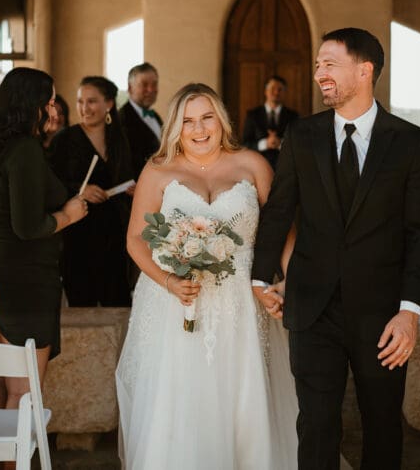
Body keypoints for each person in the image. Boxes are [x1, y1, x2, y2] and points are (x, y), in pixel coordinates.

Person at [251, 28, 420, 470]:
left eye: (328, 63)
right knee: (315, 425)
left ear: (364, 69)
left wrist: (409, 311)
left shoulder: (410, 141)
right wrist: (261, 278)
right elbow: (279, 211)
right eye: (317, 65)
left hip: (384, 312)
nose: (319, 73)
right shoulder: (303, 134)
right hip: (312, 307)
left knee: (382, 424)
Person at [116, 82, 298, 470]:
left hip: (242, 303)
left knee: (241, 393)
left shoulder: (253, 165)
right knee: (182, 396)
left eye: (207, 118)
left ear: (222, 120)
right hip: (178, 301)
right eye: (188, 121)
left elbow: (283, 230)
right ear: (175, 128)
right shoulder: (159, 169)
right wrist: (168, 281)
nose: (199, 130)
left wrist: (288, 280)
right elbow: (135, 239)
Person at [0, 67, 88, 418]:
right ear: (32, 105)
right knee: (23, 389)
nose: (52, 110)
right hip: (23, 276)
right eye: (48, 102)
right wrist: (70, 215)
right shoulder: (25, 150)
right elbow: (29, 226)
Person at [49, 76, 135, 306]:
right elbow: (49, 184)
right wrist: (79, 190)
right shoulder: (64, 140)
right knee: (81, 302)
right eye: (80, 101)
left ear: (108, 104)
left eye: (92, 101)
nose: (84, 108)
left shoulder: (121, 138)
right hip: (78, 236)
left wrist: (135, 190)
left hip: (115, 236)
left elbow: (133, 175)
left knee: (118, 302)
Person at [241, 75, 300, 169]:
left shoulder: (293, 116)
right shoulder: (252, 115)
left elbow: (298, 144)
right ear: (266, 91)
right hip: (257, 167)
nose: (276, 92)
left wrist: (280, 144)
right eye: (273, 88)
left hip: (285, 168)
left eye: (280, 89)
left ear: (285, 93)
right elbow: (245, 145)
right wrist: (265, 143)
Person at [120, 62, 162, 174]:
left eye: (154, 84)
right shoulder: (121, 119)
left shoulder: (156, 117)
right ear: (130, 88)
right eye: (144, 84)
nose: (150, 90)